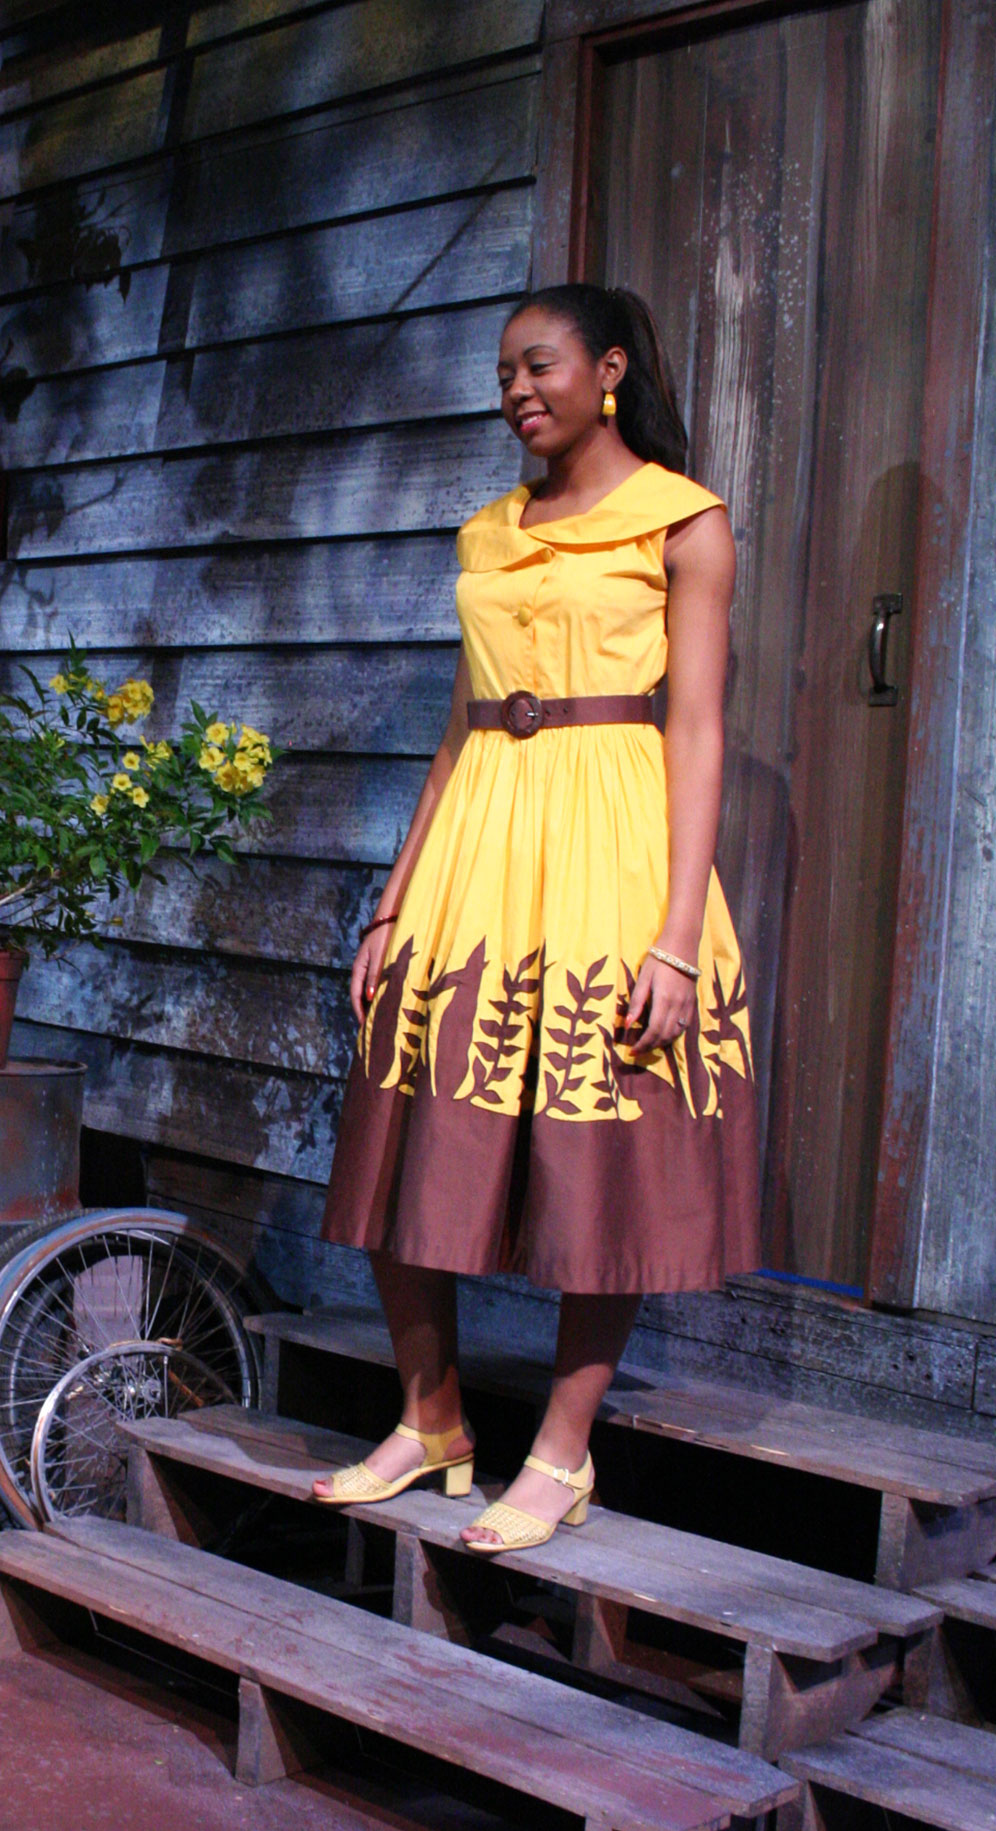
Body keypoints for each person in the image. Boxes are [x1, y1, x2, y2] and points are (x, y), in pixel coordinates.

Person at [316, 285, 759, 1551]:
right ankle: (431, 1413)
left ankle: (560, 1453)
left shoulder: (681, 524)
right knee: (402, 1118)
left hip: (612, 841)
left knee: (603, 1145)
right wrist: (393, 899)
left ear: (606, 368)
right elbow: (459, 727)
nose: (515, 387)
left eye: (539, 363)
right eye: (503, 370)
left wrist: (675, 934)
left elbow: (698, 730)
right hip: (478, 847)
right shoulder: (487, 533)